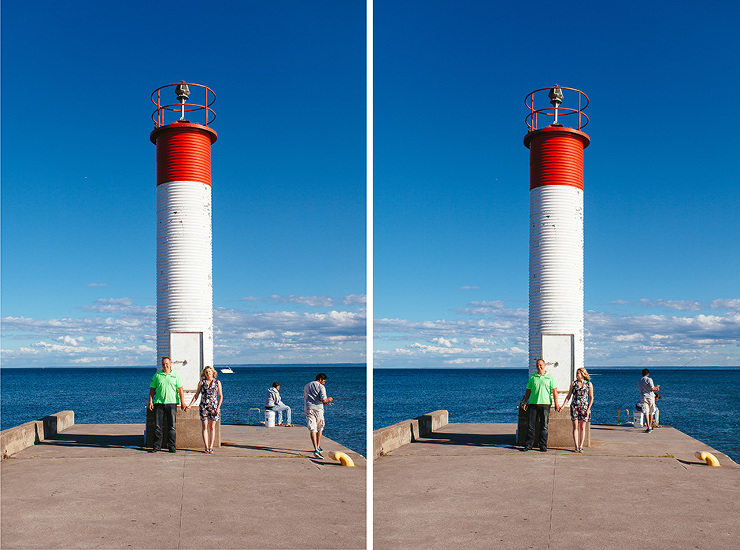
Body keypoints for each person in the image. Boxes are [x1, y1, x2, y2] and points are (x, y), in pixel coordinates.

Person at [148, 357, 186, 453]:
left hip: (172, 403)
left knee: (172, 426)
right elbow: (152, 389)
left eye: (167, 363)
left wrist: (182, 402)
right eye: (163, 364)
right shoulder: (157, 375)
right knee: (157, 426)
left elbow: (180, 389)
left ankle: (172, 446)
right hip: (159, 403)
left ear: (170, 364)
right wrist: (150, 401)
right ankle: (156, 446)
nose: (165, 365)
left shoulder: (175, 376)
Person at [521, 358, 560, 452]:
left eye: (541, 365)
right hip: (533, 404)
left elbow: (554, 391)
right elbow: (528, 391)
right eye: (537, 365)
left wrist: (556, 404)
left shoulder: (550, 377)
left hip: (545, 403)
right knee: (531, 426)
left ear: (544, 365)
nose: (539, 367)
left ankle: (543, 445)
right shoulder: (533, 377)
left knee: (544, 426)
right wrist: (525, 402)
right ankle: (529, 445)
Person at [187, 366, 223, 454]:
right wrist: (190, 405)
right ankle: (206, 447)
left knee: (212, 427)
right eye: (206, 372)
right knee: (205, 426)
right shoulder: (201, 383)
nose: (208, 373)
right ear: (204, 374)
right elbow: (196, 395)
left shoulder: (217, 382)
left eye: (209, 372)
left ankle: (211, 447)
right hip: (204, 407)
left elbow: (221, 396)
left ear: (213, 372)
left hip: (213, 407)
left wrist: (218, 408)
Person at [563, 368, 594, 453]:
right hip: (574, 407)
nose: (577, 375)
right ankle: (576, 446)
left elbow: (591, 398)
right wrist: (563, 405)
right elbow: (569, 396)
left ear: (583, 374)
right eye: (577, 373)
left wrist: (588, 409)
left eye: (578, 373)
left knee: (582, 427)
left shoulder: (588, 384)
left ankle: (581, 446)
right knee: (575, 426)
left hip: (584, 408)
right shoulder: (573, 384)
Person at [304, 373, 333, 459]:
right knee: (320, 428)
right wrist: (329, 399)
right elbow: (324, 400)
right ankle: (318, 447)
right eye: (324, 381)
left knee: (312, 428)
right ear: (320, 379)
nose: (324, 383)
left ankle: (316, 448)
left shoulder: (307, 385)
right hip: (318, 409)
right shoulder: (321, 387)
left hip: (308, 408)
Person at [638, 368, 660, 433]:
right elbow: (652, 389)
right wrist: (657, 387)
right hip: (650, 397)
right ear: (648, 374)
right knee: (651, 412)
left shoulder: (639, 380)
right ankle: (650, 426)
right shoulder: (649, 379)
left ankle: (648, 427)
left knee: (646, 413)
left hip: (643, 397)